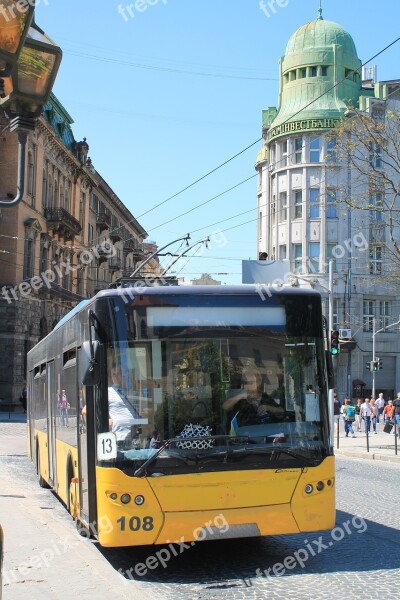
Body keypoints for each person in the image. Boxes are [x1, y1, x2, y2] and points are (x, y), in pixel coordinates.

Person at [108, 364, 142, 447]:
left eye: (119, 373)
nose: (116, 377)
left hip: (137, 436)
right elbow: (86, 411)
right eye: (114, 374)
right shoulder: (108, 392)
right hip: (120, 438)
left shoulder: (133, 391)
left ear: (125, 375)